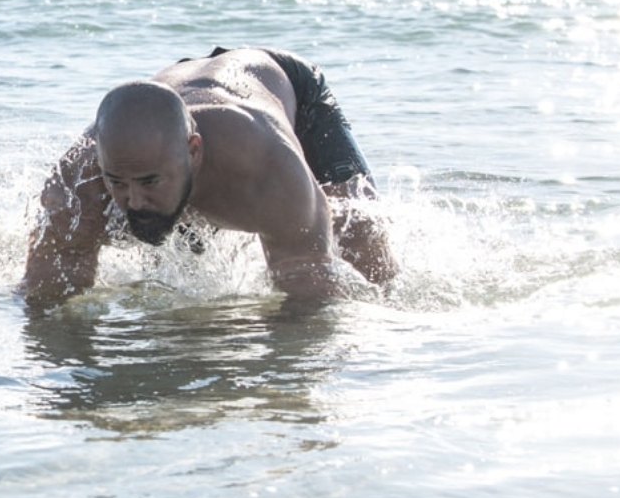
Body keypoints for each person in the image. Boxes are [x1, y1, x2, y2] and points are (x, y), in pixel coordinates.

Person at [22, 46, 396, 307]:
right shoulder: (78, 183)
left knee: (362, 242)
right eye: (117, 183)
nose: (132, 201)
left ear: (194, 151)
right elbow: (45, 298)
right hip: (173, 100)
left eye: (149, 182)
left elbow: (311, 304)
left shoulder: (267, 168)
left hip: (283, 85)